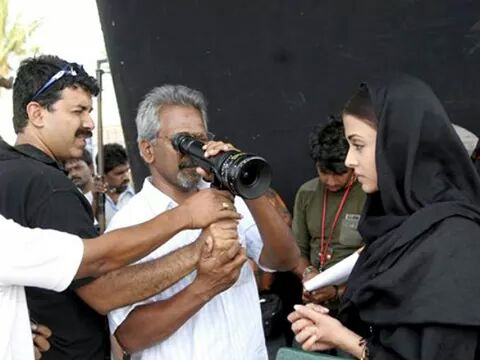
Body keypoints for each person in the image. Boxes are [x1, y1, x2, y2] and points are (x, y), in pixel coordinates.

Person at [0, 55, 241, 359]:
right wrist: (195, 239)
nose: (89, 123)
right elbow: (102, 289)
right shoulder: (47, 186)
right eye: (78, 111)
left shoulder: (8, 172)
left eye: (89, 111)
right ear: (36, 113)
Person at [288, 75, 480, 359]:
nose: (350, 161)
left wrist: (346, 340)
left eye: (359, 145)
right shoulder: (396, 225)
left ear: (398, 144)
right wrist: (333, 330)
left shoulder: (456, 242)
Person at [106, 84, 300, 360]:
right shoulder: (130, 223)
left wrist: (244, 182)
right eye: (181, 142)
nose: (192, 151)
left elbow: (284, 258)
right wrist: (204, 288)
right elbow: (129, 337)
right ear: (147, 150)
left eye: (199, 139)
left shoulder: (226, 199)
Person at [292, 119, 365, 307]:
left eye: (339, 173)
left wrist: (336, 292)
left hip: (358, 300)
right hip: (315, 301)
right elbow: (296, 250)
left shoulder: (371, 194)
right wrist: (308, 274)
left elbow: (380, 259)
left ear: (352, 162)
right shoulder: (306, 193)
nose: (331, 181)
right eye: (324, 172)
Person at [95, 143, 135, 225]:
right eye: (119, 173)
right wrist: (95, 200)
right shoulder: (93, 198)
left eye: (127, 170)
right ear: (103, 175)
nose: (126, 177)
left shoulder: (137, 193)